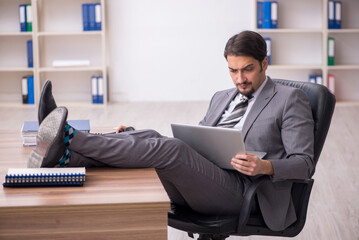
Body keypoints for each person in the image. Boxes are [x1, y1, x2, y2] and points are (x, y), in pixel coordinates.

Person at [28, 30, 314, 231]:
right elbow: (197, 143)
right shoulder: (221, 97)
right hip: (207, 180)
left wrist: (264, 166)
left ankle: (68, 136)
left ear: (265, 63)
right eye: (232, 70)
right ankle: (67, 158)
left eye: (247, 70)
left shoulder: (289, 99)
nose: (239, 79)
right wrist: (132, 135)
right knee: (150, 136)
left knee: (170, 149)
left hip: (247, 193)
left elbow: (304, 164)